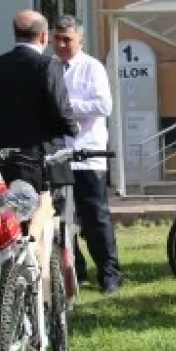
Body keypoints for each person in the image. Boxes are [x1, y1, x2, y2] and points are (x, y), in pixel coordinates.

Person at [0, 10, 79, 301]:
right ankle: (45, 295)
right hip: (42, 161)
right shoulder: (48, 65)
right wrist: (71, 127)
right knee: (45, 226)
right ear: (44, 36)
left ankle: (15, 284)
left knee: (14, 225)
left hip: (6, 162)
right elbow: (61, 112)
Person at [52, 15, 123, 295]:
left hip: (88, 153)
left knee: (95, 217)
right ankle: (75, 270)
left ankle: (109, 273)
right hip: (58, 154)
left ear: (80, 40)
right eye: (57, 39)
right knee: (60, 218)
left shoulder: (91, 67)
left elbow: (104, 105)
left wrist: (65, 106)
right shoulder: (50, 68)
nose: (60, 44)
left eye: (67, 39)